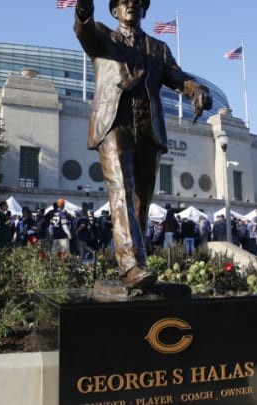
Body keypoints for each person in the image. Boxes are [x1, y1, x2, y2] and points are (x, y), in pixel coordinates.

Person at [73, 0, 213, 289]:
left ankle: (140, 261)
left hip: (148, 129)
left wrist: (197, 89)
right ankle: (130, 264)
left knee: (142, 199)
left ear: (144, 10)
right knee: (121, 189)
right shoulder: (102, 37)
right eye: (124, 2)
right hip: (114, 123)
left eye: (137, 2)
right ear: (114, 10)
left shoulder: (159, 49)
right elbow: (83, 31)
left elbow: (178, 79)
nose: (131, 5)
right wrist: (84, 9)